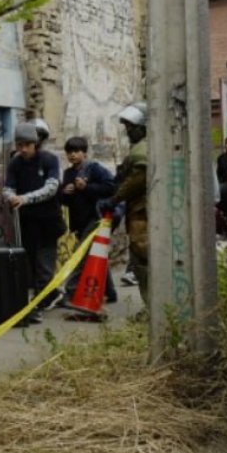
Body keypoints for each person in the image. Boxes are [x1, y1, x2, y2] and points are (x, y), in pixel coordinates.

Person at [2, 122, 65, 323]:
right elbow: (8, 187)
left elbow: (52, 188)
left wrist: (24, 199)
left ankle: (42, 301)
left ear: (35, 143)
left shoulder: (49, 160)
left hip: (48, 223)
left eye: (27, 145)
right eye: (19, 145)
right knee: (27, 265)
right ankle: (42, 299)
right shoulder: (15, 163)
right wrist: (10, 197)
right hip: (25, 224)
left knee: (44, 266)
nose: (23, 149)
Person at [59, 136, 117, 306]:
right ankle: (110, 292)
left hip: (96, 219)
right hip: (79, 222)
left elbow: (111, 188)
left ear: (84, 153)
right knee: (94, 253)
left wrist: (87, 187)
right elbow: (65, 201)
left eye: (76, 151)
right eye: (69, 152)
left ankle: (70, 292)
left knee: (80, 255)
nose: (72, 155)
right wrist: (65, 193)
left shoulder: (94, 169)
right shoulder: (68, 173)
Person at [101, 103, 148, 305]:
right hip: (139, 214)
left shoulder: (142, 151)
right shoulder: (144, 148)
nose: (128, 131)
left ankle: (153, 311)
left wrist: (114, 199)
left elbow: (135, 181)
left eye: (131, 127)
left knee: (144, 263)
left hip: (143, 216)